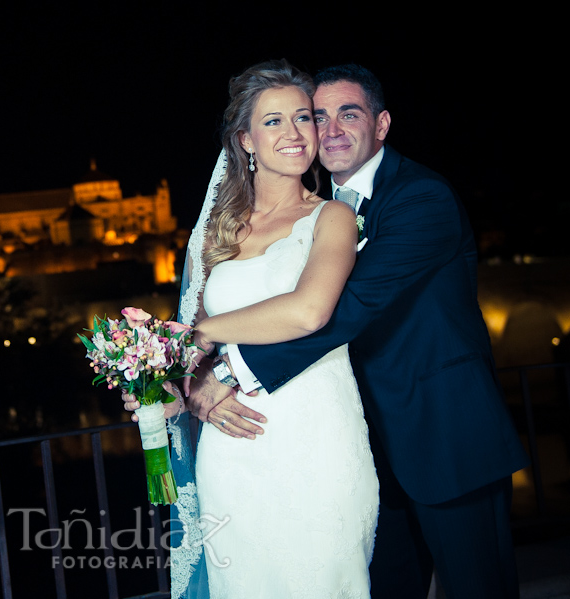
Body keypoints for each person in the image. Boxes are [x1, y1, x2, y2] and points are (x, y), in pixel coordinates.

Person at [185, 64, 530, 598]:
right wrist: (190, 383)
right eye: (316, 116)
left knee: (476, 588)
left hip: (443, 434)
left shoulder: (420, 197)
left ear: (383, 124)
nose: (329, 129)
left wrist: (225, 364)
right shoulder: (316, 209)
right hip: (356, 438)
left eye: (350, 113)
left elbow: (349, 307)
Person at [127, 60, 379, 598]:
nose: (295, 134)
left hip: (317, 440)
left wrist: (204, 334)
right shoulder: (214, 234)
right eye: (273, 122)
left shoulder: (333, 217)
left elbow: (308, 311)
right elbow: (189, 348)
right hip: (231, 450)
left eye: (304, 118)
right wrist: (176, 389)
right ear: (243, 139)